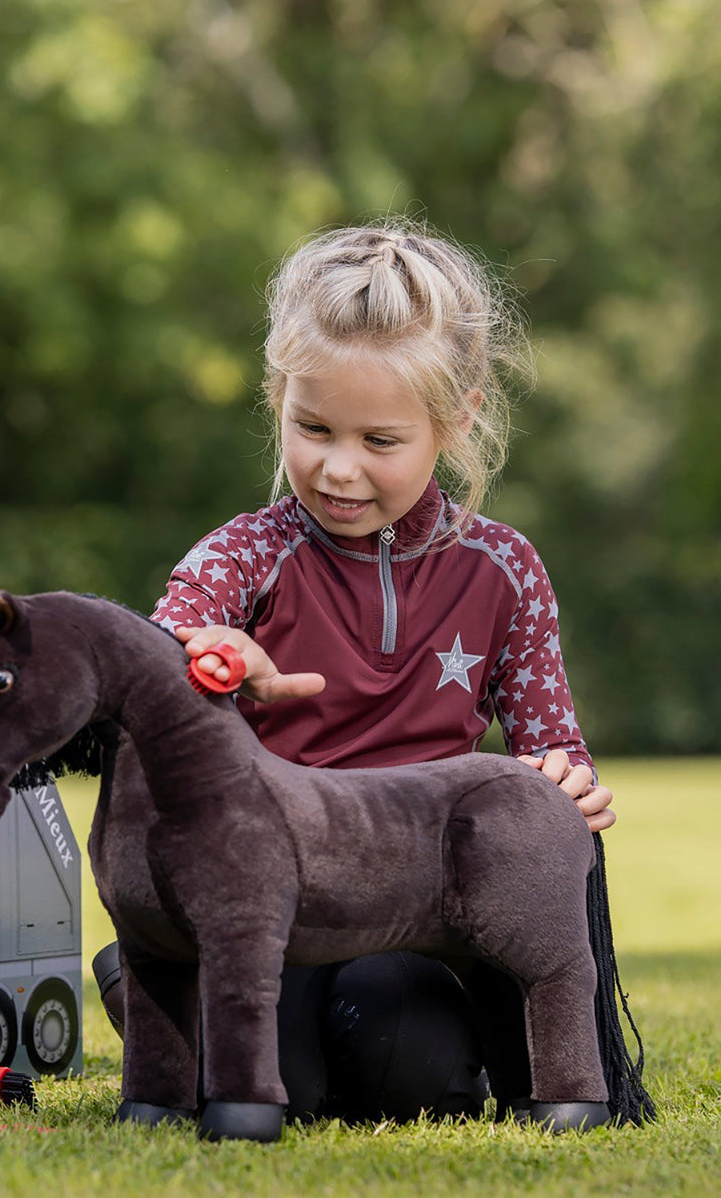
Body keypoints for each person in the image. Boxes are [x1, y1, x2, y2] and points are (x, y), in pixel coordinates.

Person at [93, 221, 616, 1124]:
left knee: (408, 1071)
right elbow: (152, 666)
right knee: (278, 1084)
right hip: (265, 903)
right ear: (278, 398)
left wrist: (569, 783)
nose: (339, 469)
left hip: (418, 906)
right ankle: (152, 981)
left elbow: (554, 750)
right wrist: (213, 661)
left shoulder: (507, 570)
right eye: (313, 428)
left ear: (457, 420)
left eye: (380, 440)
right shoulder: (243, 554)